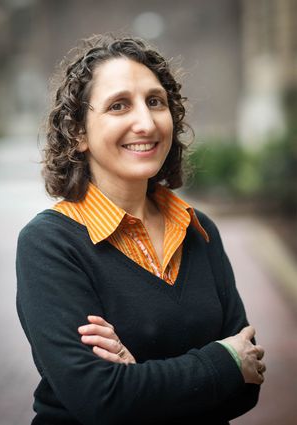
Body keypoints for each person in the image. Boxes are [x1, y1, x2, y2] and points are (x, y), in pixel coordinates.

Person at [16, 35, 265, 424]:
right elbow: (100, 398)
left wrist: (138, 381)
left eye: (155, 102)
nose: (146, 123)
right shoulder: (49, 244)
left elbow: (249, 387)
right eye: (119, 106)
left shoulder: (199, 231)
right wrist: (224, 361)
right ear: (78, 132)